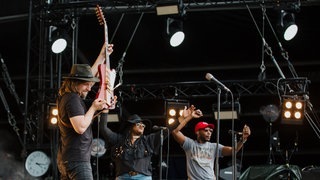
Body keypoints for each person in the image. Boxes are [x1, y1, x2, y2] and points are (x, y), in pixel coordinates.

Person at [56, 43, 114, 180]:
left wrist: (102, 56)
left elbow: (89, 79)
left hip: (69, 159)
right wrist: (93, 108)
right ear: (75, 83)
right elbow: (81, 127)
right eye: (86, 84)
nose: (89, 88)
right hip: (77, 160)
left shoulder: (69, 96)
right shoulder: (72, 99)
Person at [172, 105, 251, 180]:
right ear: (197, 132)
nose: (209, 132)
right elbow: (175, 131)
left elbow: (233, 151)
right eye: (206, 130)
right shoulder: (190, 144)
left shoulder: (214, 146)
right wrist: (189, 117)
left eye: (210, 131)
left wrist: (243, 139)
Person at [99, 113, 169, 180]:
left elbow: (169, 130)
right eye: (138, 124)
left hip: (143, 177)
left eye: (143, 125)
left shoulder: (148, 140)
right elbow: (103, 128)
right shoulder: (118, 139)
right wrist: (105, 111)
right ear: (130, 126)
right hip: (123, 177)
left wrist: (179, 120)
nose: (142, 126)